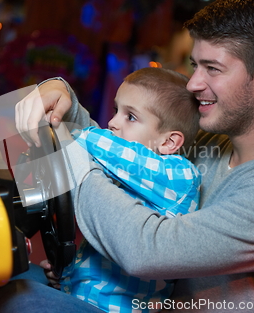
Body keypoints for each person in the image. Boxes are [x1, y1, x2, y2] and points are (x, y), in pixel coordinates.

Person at [0, 0, 254, 313]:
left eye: (212, 69)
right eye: (195, 65)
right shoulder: (215, 143)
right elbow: (127, 155)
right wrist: (63, 99)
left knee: (13, 301)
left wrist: (72, 156)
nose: (195, 84)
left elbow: (149, 250)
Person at [56, 67, 200, 313]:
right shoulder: (126, 176)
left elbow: (114, 151)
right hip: (80, 296)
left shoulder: (180, 176)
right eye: (116, 111)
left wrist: (67, 136)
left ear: (168, 142)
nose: (112, 122)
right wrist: (66, 275)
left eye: (130, 117)